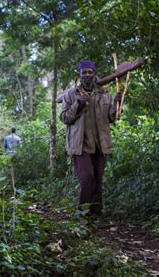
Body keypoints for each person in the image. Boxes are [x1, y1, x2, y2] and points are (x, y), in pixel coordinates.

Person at [60, 60, 122, 217]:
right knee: (86, 178)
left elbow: (111, 118)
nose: (87, 75)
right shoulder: (70, 94)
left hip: (100, 144)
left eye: (90, 72)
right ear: (80, 75)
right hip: (80, 144)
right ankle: (81, 213)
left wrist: (116, 103)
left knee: (98, 179)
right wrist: (78, 104)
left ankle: (96, 213)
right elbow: (64, 117)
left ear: (94, 73)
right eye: (84, 72)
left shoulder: (104, 93)